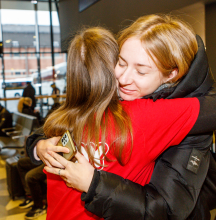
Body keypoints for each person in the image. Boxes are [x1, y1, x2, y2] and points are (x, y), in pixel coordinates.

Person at [26, 20, 216, 220]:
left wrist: (94, 184)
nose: (123, 78)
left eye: (141, 70)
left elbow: (166, 207)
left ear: (171, 74)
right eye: (121, 63)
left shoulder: (147, 114)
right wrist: (38, 146)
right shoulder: (84, 113)